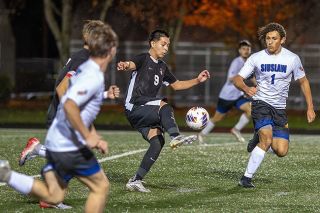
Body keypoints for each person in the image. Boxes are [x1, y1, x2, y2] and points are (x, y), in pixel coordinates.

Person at [0, 23, 118, 212]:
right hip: (67, 137)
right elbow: (65, 93)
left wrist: (104, 96)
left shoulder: (90, 68)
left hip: (60, 135)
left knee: (54, 195)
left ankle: (7, 174)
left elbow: (79, 97)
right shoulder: (89, 66)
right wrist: (87, 135)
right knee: (100, 186)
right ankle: (37, 150)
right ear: (109, 49)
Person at [117, 29, 210, 192]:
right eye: (163, 44)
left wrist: (197, 80)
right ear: (153, 44)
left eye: (168, 45)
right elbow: (131, 64)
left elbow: (177, 85)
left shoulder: (162, 67)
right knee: (164, 105)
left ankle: (135, 180)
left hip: (144, 110)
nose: (166, 48)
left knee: (157, 141)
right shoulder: (143, 58)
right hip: (135, 105)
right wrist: (125, 65)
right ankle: (175, 136)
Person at [18, 20, 120, 168]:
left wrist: (104, 94)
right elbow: (62, 89)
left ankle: (37, 151)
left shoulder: (85, 58)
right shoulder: (83, 59)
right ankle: (27, 159)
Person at [233, 23, 316, 188]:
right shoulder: (256, 57)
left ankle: (258, 137)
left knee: (281, 151)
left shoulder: (292, 59)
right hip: (260, 103)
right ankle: (246, 178)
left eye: (274, 39)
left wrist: (310, 107)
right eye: (267, 39)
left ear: (282, 40)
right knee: (267, 140)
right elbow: (237, 78)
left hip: (279, 108)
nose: (270, 42)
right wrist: (245, 87)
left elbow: (303, 81)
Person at [198, 40, 253, 144]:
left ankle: (236, 130)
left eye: (248, 49)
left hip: (238, 96)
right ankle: (201, 134)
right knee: (217, 118)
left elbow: (252, 77)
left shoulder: (248, 63)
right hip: (227, 96)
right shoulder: (237, 62)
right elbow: (231, 78)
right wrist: (244, 81)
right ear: (239, 51)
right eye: (243, 49)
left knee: (250, 110)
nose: (246, 51)